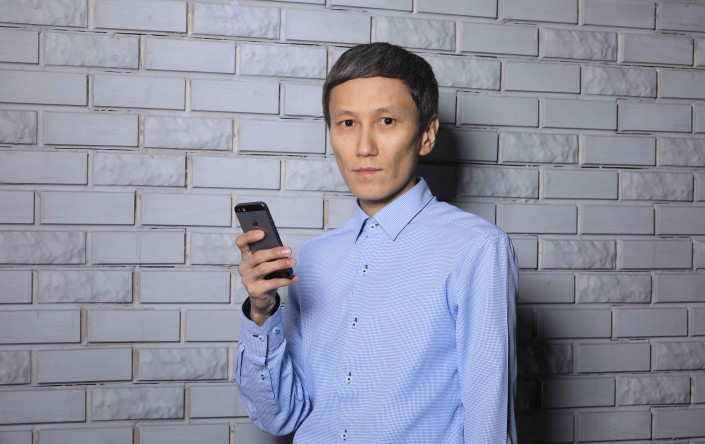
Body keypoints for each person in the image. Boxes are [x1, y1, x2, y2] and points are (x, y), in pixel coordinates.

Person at [235, 42, 518, 443]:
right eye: (347, 123)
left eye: (386, 121)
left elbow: (489, 420)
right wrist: (262, 313)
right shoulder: (314, 258)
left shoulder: (476, 249)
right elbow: (280, 417)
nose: (364, 148)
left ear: (426, 135)